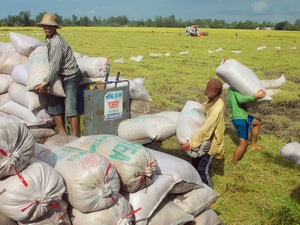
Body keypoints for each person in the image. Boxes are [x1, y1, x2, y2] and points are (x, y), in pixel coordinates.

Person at [35, 13, 82, 137]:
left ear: (55, 28)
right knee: (53, 106)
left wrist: (45, 84)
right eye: (45, 26)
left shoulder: (56, 42)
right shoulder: (48, 38)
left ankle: (75, 137)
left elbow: (55, 65)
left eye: (50, 26)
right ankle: (62, 134)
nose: (47, 29)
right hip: (60, 76)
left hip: (71, 76)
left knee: (70, 108)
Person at [180, 79, 225, 188]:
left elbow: (207, 129)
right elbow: (203, 107)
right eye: (208, 94)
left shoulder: (218, 107)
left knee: (202, 170)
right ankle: (197, 187)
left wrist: (191, 144)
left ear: (219, 93)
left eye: (212, 95)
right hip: (201, 140)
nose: (209, 97)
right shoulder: (210, 102)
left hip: (211, 144)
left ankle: (210, 193)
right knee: (195, 165)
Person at [228, 88, 266, 164]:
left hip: (243, 116)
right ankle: (233, 162)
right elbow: (240, 99)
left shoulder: (234, 87)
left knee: (257, 122)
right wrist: (255, 96)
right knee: (244, 143)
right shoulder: (234, 89)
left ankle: (254, 145)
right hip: (240, 118)